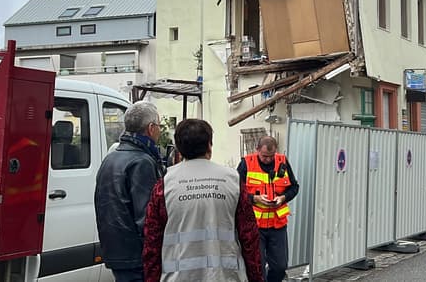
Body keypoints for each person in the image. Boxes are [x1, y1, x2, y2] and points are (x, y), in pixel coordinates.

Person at [143, 119, 263, 282]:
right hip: (226, 277)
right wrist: (256, 277)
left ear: (178, 148)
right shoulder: (232, 181)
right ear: (209, 146)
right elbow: (249, 237)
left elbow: (152, 243)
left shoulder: (164, 185)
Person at [95, 101, 165, 282]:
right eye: (159, 126)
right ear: (151, 128)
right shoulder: (142, 162)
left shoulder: (110, 159)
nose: (160, 131)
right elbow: (148, 217)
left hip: (115, 250)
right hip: (136, 255)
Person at [237, 136, 299, 282]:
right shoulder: (246, 163)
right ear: (257, 150)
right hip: (255, 226)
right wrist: (254, 199)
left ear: (275, 152)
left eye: (271, 156)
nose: (268, 160)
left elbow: (294, 187)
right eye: (264, 156)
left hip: (277, 225)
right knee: (257, 268)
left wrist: (282, 198)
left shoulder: (282, 162)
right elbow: (236, 191)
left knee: (280, 267)